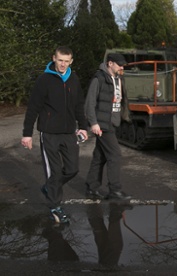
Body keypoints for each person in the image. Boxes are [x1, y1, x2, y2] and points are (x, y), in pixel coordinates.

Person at [21, 46, 88, 224]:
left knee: (73, 169)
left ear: (71, 61)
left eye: (66, 61)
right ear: (54, 58)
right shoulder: (44, 79)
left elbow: (79, 105)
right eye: (60, 60)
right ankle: (55, 207)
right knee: (54, 172)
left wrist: (83, 127)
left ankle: (49, 188)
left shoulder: (73, 79)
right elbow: (33, 107)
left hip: (68, 133)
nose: (63, 64)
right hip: (49, 133)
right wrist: (27, 134)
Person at [85, 53, 131, 201]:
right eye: (119, 64)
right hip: (102, 124)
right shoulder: (98, 79)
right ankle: (115, 190)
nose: (122, 67)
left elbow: (120, 101)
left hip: (112, 123)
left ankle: (92, 188)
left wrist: (124, 117)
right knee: (115, 155)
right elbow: (89, 103)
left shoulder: (118, 78)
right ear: (110, 63)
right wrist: (93, 123)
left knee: (100, 156)